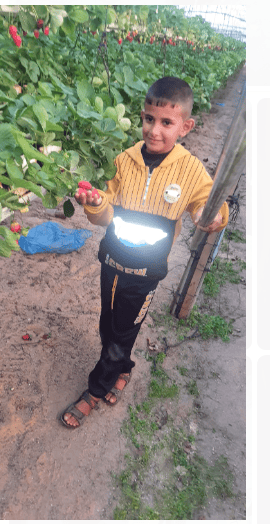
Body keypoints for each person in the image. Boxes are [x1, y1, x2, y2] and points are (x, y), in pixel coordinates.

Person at [60, 76, 229, 428]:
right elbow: (105, 213)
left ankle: (96, 388)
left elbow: (207, 205)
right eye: (149, 119)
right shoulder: (122, 160)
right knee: (109, 325)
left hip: (146, 274)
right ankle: (123, 368)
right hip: (112, 260)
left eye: (167, 123)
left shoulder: (191, 170)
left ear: (186, 126)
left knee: (123, 332)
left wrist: (209, 216)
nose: (155, 130)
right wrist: (94, 204)